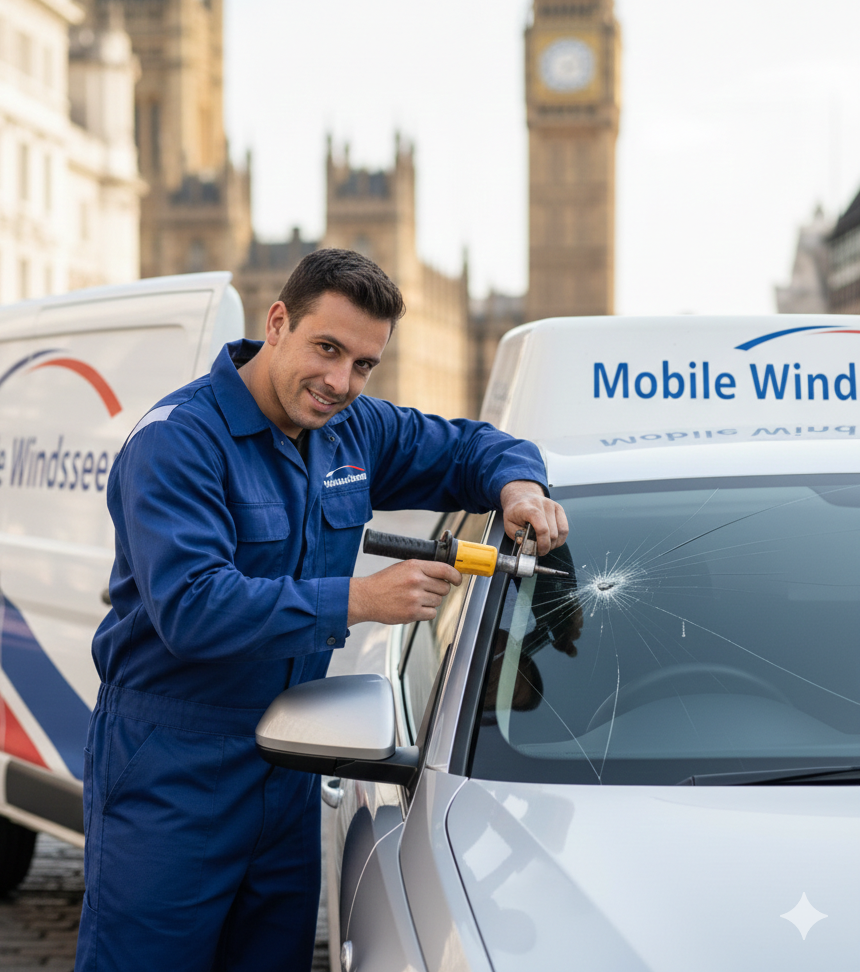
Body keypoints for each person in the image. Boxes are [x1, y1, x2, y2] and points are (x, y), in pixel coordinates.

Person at [74, 248, 569, 971]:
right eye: (327, 349)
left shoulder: (351, 429)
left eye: (364, 364)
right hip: (172, 768)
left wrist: (519, 487)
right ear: (277, 322)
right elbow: (192, 606)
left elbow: (472, 448)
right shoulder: (178, 442)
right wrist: (361, 599)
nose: (341, 382)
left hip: (289, 767)